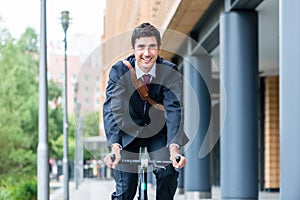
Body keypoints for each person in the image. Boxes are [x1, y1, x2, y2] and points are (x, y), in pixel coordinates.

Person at [103, 22, 189, 200]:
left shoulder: (170, 72)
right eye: (141, 47)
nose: (147, 53)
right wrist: (114, 147)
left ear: (159, 49)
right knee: (125, 191)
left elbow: (174, 109)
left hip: (158, 134)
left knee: (167, 173)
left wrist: (174, 149)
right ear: (133, 49)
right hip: (127, 134)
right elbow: (113, 108)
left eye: (152, 47)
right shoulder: (119, 71)